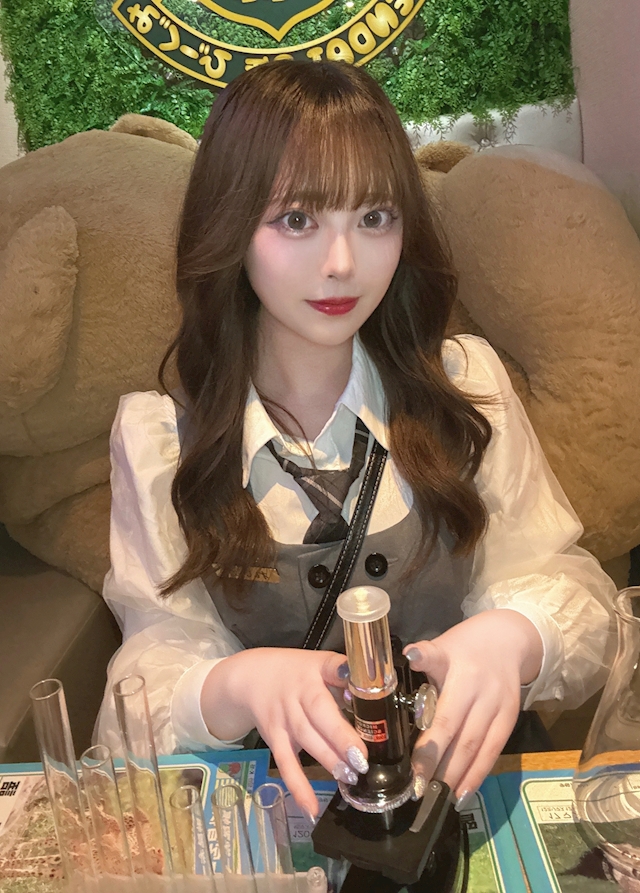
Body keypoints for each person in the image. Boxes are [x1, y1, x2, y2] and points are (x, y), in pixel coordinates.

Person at [95, 59, 616, 822]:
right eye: (296, 220)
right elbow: (139, 688)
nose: (342, 263)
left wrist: (516, 635)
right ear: (229, 226)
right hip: (287, 813)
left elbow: (575, 592)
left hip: (465, 795)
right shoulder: (161, 439)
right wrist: (233, 685)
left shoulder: (465, 387)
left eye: (374, 217)